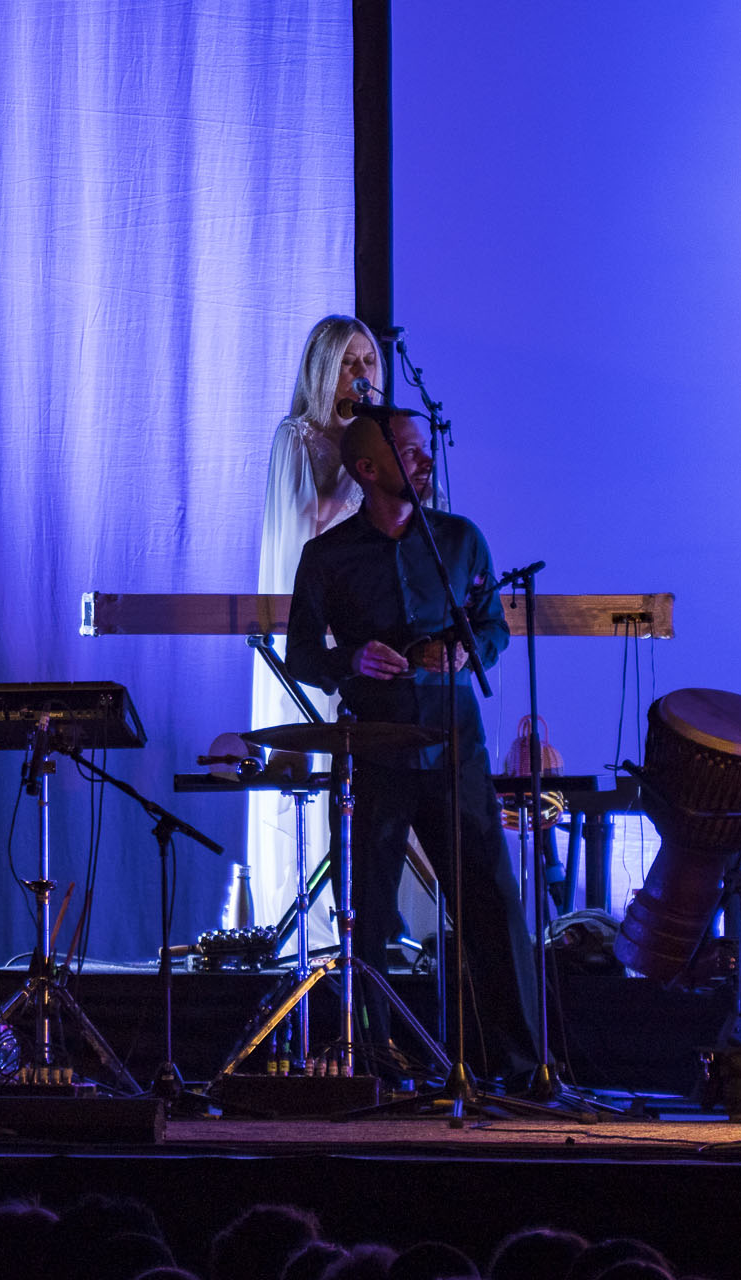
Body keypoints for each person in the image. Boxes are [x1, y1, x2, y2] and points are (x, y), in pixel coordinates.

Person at [285, 410, 538, 1084]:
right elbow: (302, 652)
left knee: (489, 904)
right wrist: (351, 662)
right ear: (369, 470)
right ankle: (372, 1060)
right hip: (374, 750)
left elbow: (493, 629)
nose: (427, 462)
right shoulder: (327, 557)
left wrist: (465, 651)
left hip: (456, 749)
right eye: (412, 452)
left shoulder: (460, 541)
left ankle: (517, 1065)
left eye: (426, 451)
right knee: (363, 915)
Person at [247, 316, 382, 937]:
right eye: (350, 363)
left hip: (367, 633)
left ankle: (370, 922)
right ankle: (306, 928)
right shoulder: (297, 438)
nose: (363, 375)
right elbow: (306, 530)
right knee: (314, 771)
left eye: (370, 363)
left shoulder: (381, 442)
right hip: (313, 629)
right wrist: (361, 470)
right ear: (323, 370)